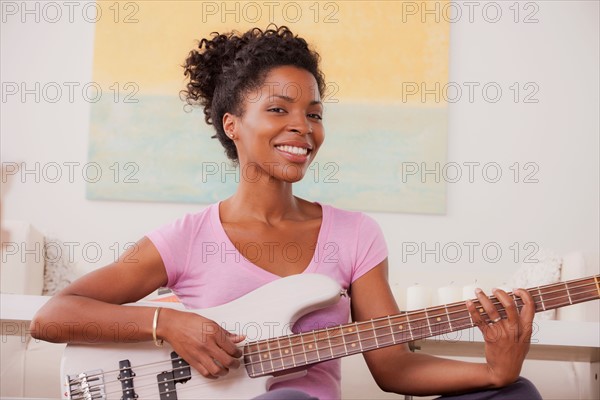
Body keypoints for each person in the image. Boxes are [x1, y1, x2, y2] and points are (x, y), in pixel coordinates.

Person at [31, 26, 542, 400]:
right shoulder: (186, 238)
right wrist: (169, 324)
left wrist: (494, 371)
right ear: (233, 125)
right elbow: (54, 317)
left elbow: (394, 368)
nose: (303, 127)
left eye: (314, 114)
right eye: (279, 109)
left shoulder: (356, 235)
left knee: (517, 394)